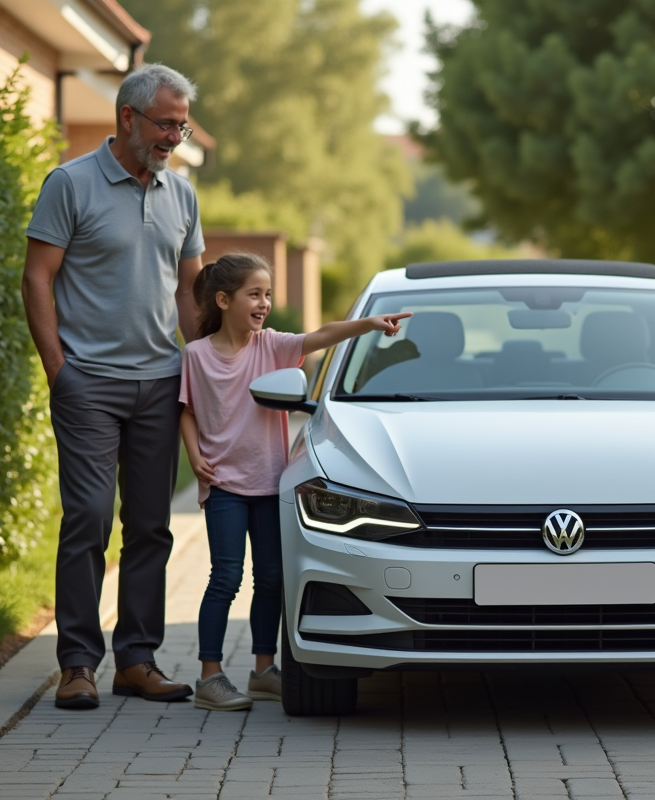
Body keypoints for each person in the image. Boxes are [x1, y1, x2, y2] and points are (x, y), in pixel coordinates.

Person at [22, 64, 205, 710]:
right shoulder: (70, 183)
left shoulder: (181, 195)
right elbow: (37, 277)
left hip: (160, 383)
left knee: (152, 526)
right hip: (89, 385)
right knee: (90, 517)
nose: (174, 137)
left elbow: (189, 290)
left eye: (182, 126)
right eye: (165, 124)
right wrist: (59, 370)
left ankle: (137, 660)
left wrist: (205, 372)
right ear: (128, 117)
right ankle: (77, 663)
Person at [179, 253, 410, 711]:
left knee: (270, 579)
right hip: (224, 485)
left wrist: (367, 324)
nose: (264, 303)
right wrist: (194, 455)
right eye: (254, 294)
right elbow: (186, 410)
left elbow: (320, 335)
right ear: (223, 300)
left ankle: (264, 671)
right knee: (225, 578)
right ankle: (209, 676)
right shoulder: (196, 355)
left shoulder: (272, 346)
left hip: (270, 484)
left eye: (267, 294)